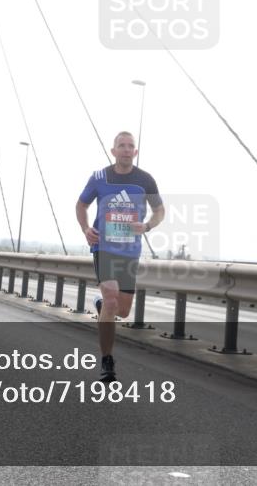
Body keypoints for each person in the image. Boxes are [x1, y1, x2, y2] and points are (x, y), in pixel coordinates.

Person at [75, 131, 164, 383]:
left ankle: (103, 307)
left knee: (122, 311)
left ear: (135, 152)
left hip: (129, 251)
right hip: (104, 248)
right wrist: (85, 229)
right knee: (112, 300)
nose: (126, 149)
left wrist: (147, 226)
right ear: (113, 151)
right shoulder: (99, 177)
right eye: (121, 146)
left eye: (130, 146)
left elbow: (160, 210)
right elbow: (81, 205)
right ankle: (107, 361)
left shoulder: (145, 180)